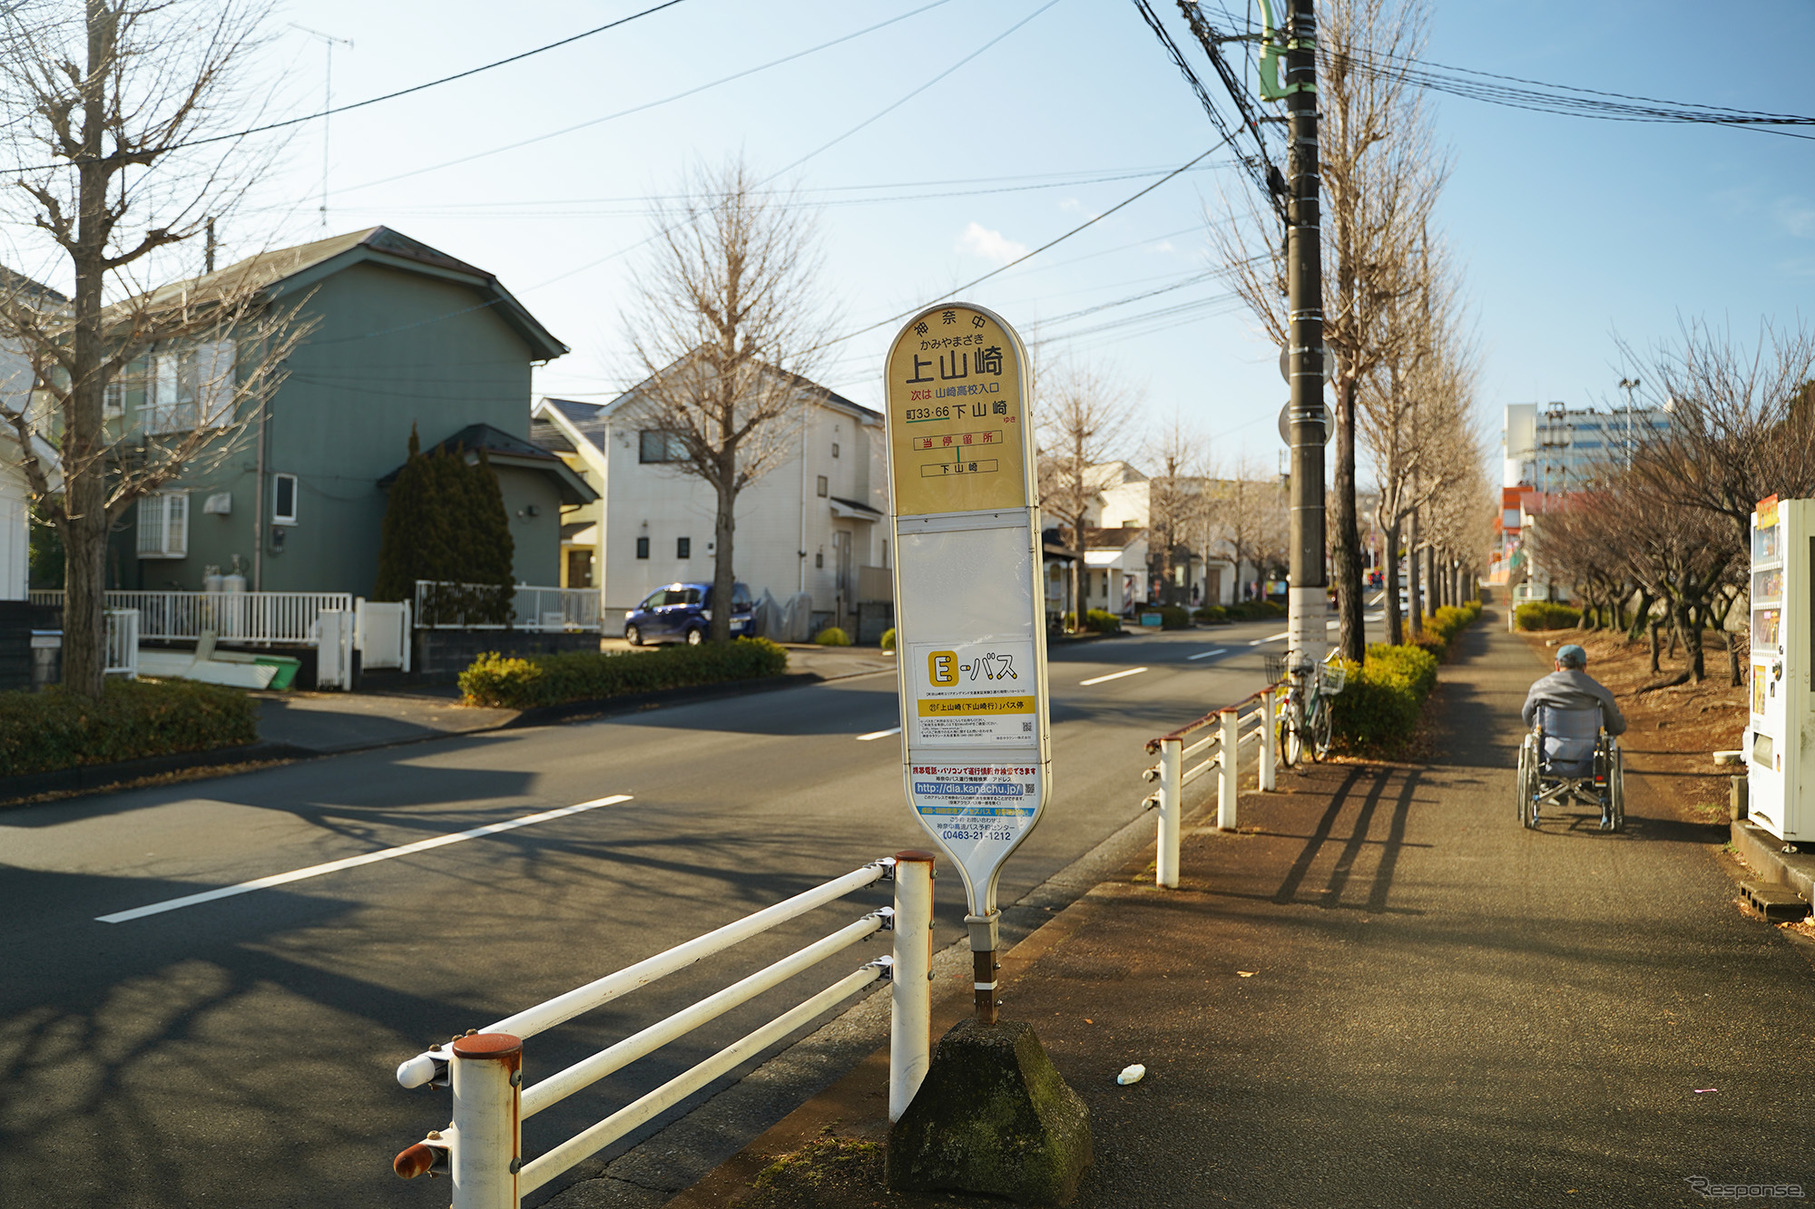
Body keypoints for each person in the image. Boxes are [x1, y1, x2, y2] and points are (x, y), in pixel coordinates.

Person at [1522, 643, 1626, 829]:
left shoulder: (1539, 688)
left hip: (1550, 759)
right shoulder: (1599, 691)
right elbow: (1616, 725)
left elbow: (1527, 717)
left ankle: (1547, 792)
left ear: (1557, 665)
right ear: (1584, 667)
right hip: (1589, 762)